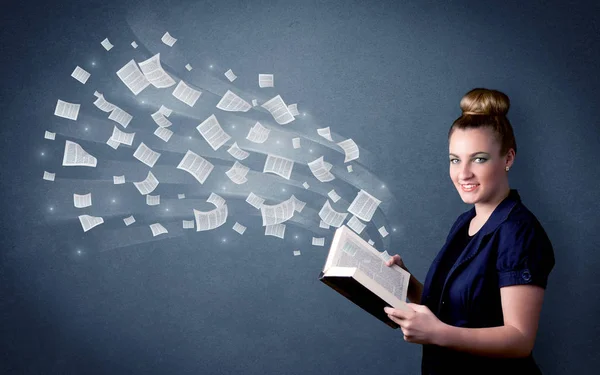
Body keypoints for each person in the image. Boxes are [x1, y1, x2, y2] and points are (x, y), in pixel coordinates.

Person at [383, 88, 555, 374]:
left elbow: (520, 339)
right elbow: (457, 309)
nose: (463, 173)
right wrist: (407, 282)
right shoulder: (466, 221)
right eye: (455, 159)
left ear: (508, 158)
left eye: (479, 159)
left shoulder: (519, 233)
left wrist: (437, 333)